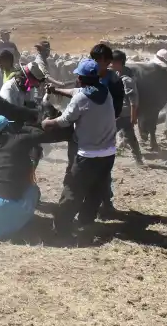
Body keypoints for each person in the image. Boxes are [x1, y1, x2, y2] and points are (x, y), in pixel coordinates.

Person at [42, 59, 117, 240]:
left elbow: (65, 120)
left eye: (78, 76)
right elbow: (78, 93)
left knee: (73, 189)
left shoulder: (82, 98)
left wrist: (47, 123)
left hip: (88, 155)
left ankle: (61, 227)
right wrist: (57, 90)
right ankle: (86, 220)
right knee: (96, 188)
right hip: (108, 153)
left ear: (82, 78)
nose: (77, 78)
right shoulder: (104, 91)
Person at [0, 115, 60, 240]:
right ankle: (12, 222)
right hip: (2, 204)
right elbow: (40, 134)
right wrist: (24, 127)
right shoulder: (19, 140)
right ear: (8, 127)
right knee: (33, 191)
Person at [110, 50, 143, 165]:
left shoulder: (126, 79)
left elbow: (134, 100)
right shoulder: (118, 74)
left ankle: (102, 158)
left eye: (112, 62)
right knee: (130, 136)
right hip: (122, 113)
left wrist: (133, 117)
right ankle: (138, 159)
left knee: (107, 134)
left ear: (119, 63)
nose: (110, 65)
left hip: (123, 114)